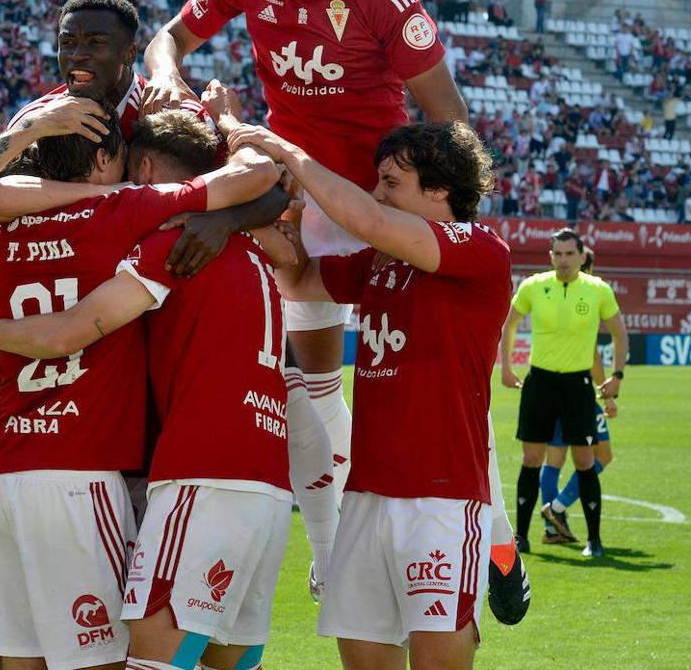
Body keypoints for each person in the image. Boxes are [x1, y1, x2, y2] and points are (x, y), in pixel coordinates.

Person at [0, 102, 337, 670]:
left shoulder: (176, 240)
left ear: (147, 171)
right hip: (267, 489)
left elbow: (72, 328)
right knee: (232, 656)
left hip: (193, 477)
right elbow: (300, 406)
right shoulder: (257, 254)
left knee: (134, 655)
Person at [142, 0, 467, 505]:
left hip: (377, 202)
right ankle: (331, 548)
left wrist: (442, 223)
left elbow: (448, 117)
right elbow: (167, 39)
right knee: (314, 385)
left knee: (420, 380)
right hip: (300, 197)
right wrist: (169, 76)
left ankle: (492, 537)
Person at [228, 119, 511, 669]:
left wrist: (285, 147)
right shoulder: (381, 261)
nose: (377, 192)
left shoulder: (479, 250)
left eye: (390, 182)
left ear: (440, 190)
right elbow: (298, 277)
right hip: (364, 496)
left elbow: (366, 218)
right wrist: (253, 199)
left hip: (442, 500)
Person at [499, 228, 629, 558]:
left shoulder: (598, 290)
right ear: (551, 256)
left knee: (585, 461)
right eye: (558, 254)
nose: (563, 260)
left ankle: (594, 540)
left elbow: (619, 334)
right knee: (531, 459)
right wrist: (506, 368)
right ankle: (522, 538)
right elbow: (509, 324)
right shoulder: (533, 286)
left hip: (578, 386)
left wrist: (617, 376)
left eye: (570, 254)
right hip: (539, 383)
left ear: (582, 256)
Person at [538, 248, 617, 544]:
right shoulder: (585, 298)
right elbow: (593, 355)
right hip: (578, 390)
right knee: (602, 456)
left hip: (550, 388)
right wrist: (605, 393)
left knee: (553, 460)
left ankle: (550, 529)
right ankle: (556, 509)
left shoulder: (559, 296)